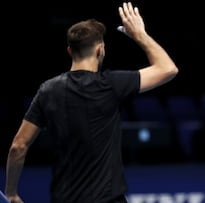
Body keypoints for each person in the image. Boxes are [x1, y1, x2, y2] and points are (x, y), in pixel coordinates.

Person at [5, 2, 178, 203]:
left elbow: (18, 145)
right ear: (100, 50)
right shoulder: (111, 84)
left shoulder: (47, 90)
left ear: (70, 51)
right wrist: (140, 34)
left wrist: (11, 193)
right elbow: (168, 69)